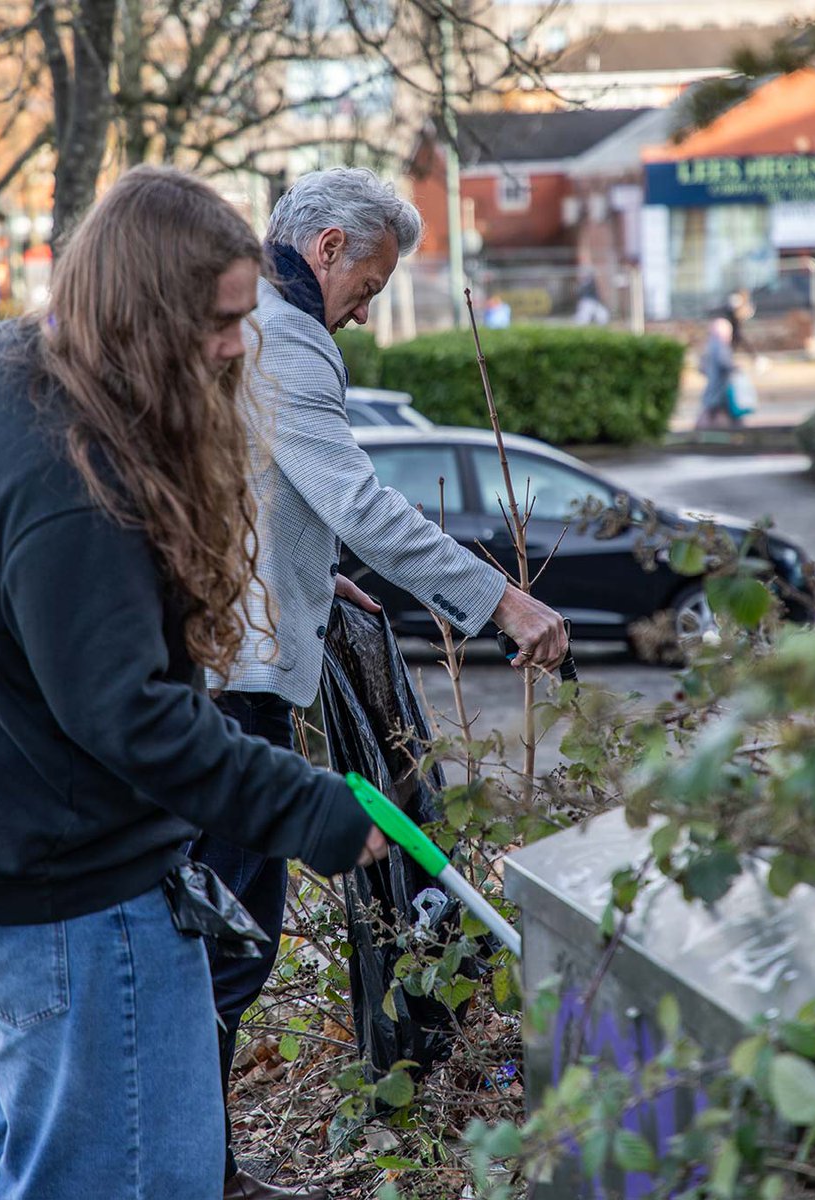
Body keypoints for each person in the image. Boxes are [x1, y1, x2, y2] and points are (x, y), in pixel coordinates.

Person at [0, 165, 386, 1200]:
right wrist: (315, 809)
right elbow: (130, 716)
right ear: (150, 310)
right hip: (71, 907)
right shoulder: (78, 482)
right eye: (221, 320)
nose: (235, 347)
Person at [194, 167, 568, 1200]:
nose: (366, 311)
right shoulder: (282, 334)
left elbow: (257, 490)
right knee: (231, 938)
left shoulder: (253, 322)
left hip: (222, 671)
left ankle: (191, 1161)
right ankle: (195, 1170)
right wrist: (503, 603)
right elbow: (361, 498)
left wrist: (320, 572)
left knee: (216, 934)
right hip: (238, 689)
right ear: (326, 248)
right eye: (370, 281)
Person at [696, 315, 738, 429]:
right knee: (718, 412)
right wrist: (735, 368)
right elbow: (724, 363)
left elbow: (701, 368)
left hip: (711, 387)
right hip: (720, 388)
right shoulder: (720, 345)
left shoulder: (708, 345)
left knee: (712, 411)